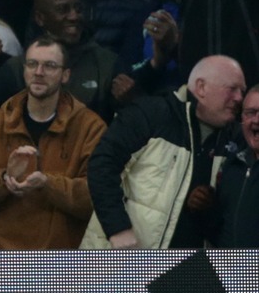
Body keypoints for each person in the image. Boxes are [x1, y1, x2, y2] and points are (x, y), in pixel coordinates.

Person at [0, 38, 108, 249]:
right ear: (24, 70)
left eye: (50, 66)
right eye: (32, 64)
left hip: (60, 262)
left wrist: (48, 184)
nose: (39, 72)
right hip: (2, 261)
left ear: (66, 75)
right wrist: (3, 179)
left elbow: (99, 195)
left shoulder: (89, 128)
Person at [84, 55, 246, 249]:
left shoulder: (236, 141)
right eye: (232, 89)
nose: (239, 98)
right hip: (119, 263)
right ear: (201, 87)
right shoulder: (151, 114)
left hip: (186, 273)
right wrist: (118, 229)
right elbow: (102, 165)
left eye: (242, 91)